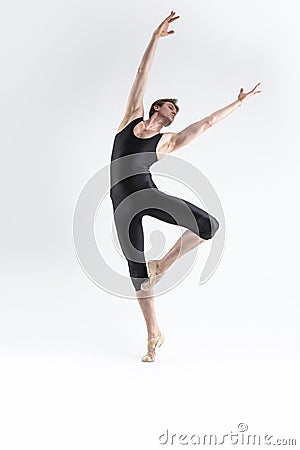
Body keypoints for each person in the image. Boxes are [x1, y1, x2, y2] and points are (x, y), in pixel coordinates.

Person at [109, 11, 261, 362]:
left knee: (208, 226)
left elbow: (205, 124)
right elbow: (141, 74)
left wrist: (237, 104)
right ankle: (153, 335)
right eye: (171, 108)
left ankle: (164, 265)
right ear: (156, 107)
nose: (174, 113)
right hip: (122, 205)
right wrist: (154, 37)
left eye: (176, 113)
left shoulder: (166, 142)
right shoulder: (130, 117)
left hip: (148, 195)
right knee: (136, 272)